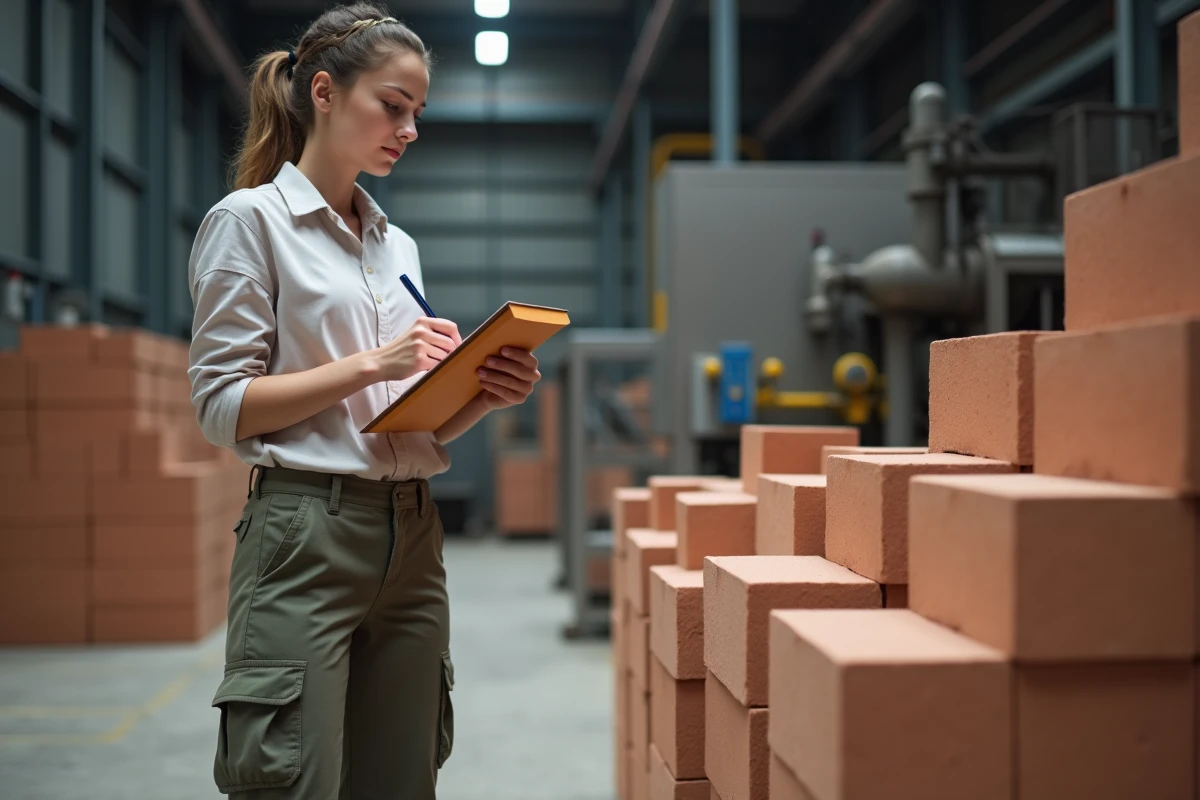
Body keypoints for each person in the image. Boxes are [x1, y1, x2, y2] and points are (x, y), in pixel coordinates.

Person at [186, 4, 540, 797]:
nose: (408, 128)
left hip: (412, 536)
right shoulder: (249, 224)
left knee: (402, 778)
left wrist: (483, 395)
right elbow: (221, 406)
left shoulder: (397, 245)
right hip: (304, 535)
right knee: (293, 779)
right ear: (323, 91)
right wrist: (368, 362)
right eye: (392, 105)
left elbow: (400, 421)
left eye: (416, 112)